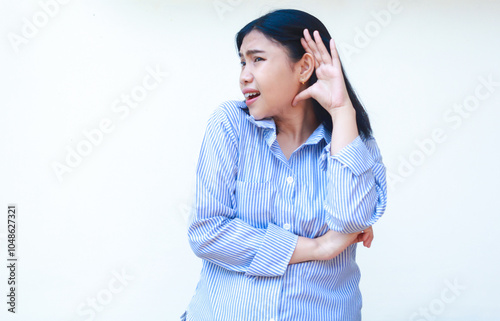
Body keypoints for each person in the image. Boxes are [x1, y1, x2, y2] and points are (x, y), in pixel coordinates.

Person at [182, 9, 387, 321]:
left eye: (257, 59)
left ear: (304, 66)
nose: (244, 75)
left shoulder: (354, 144)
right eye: (242, 62)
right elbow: (208, 232)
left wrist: (342, 110)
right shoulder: (230, 126)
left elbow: (349, 221)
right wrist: (318, 247)